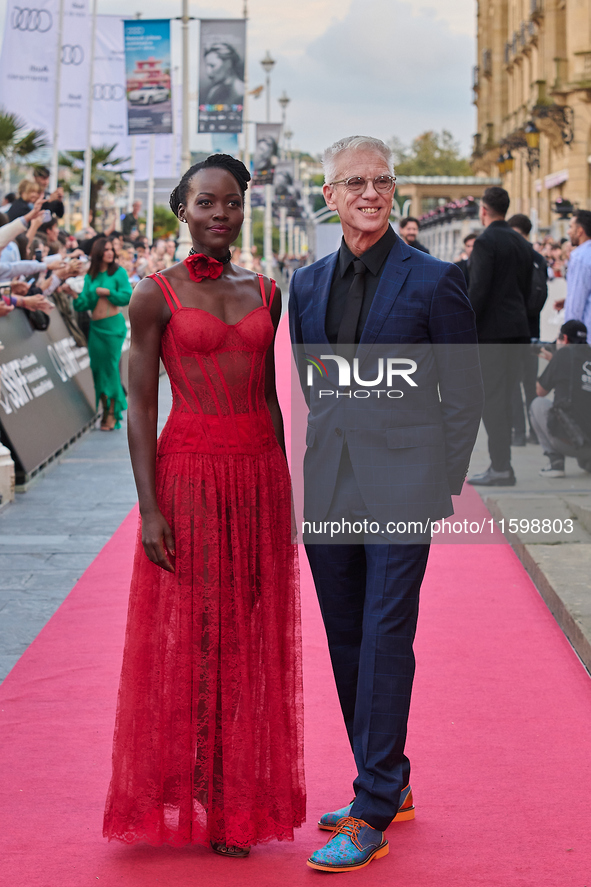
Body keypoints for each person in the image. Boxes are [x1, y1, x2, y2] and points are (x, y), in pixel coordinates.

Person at [289, 135, 483, 873]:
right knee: (345, 637)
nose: (370, 192)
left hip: (403, 488)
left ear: (393, 191)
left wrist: (438, 484)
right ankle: (389, 777)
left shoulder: (436, 281)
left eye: (381, 180)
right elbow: (315, 388)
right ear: (330, 195)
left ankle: (371, 806)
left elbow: (462, 397)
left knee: (384, 633)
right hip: (330, 484)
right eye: (354, 182)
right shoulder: (306, 286)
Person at [103, 154, 305, 854]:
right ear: (181, 211)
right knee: (199, 630)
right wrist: (149, 507)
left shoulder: (270, 291)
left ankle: (228, 782)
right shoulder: (153, 294)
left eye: (231, 203)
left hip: (256, 475)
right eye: (205, 203)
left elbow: (272, 400)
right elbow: (138, 405)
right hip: (187, 474)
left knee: (247, 631)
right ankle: (204, 782)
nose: (219, 214)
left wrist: (285, 490)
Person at [467, 186, 533, 486]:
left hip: (491, 334)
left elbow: (478, 291)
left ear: (484, 209)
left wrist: (464, 327)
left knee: (492, 400)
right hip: (518, 330)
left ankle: (500, 467)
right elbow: (530, 287)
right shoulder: (521, 243)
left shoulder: (485, 242)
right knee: (508, 397)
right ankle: (503, 465)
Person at [73, 238, 132, 430]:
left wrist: (107, 292)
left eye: (111, 249)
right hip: (95, 328)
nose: (110, 252)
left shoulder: (118, 272)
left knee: (111, 368)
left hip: (113, 327)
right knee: (98, 371)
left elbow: (127, 296)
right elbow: (84, 303)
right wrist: (75, 295)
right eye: (105, 249)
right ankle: (105, 408)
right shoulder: (90, 276)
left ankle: (112, 413)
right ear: (97, 252)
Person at [529, 320, 591, 477]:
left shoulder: (562, 354)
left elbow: (540, 391)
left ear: (564, 338)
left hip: (568, 442)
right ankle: (587, 461)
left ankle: (556, 464)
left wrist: (553, 362)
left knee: (537, 405)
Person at [507, 213, 549, 445]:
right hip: (533, 329)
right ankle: (535, 432)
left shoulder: (513, 256)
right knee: (531, 383)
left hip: (513, 330)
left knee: (513, 383)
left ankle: (519, 433)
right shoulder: (538, 258)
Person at [552, 210, 591, 328]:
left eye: (571, 227)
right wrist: (567, 301)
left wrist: (569, 334)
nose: (568, 232)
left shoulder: (580, 257)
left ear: (580, 231)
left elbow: (577, 301)